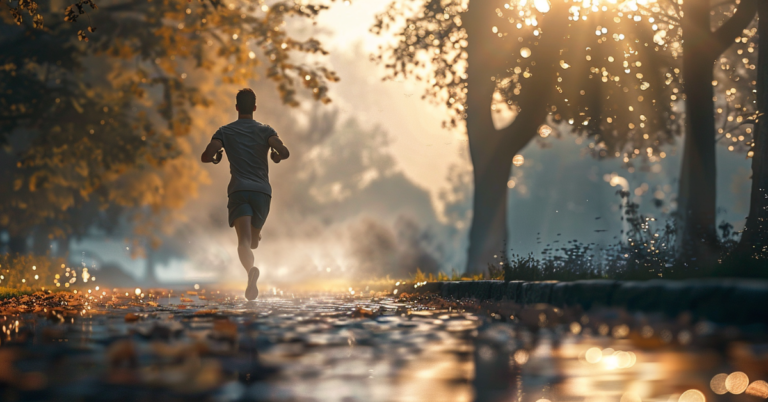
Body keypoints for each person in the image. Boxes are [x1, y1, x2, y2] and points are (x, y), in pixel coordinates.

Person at [200, 88, 290, 300]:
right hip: (261, 193)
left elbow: (206, 155)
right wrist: (276, 155)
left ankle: (251, 271)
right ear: (255, 108)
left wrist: (215, 157)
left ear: (237, 107)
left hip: (239, 190)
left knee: (245, 243)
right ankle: (252, 266)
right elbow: (284, 152)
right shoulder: (266, 130)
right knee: (252, 242)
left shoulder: (224, 131)